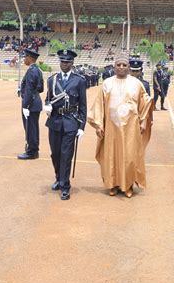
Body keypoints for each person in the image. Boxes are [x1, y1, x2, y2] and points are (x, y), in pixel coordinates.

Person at [88, 54, 153, 198]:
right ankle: (113, 184)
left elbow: (145, 102)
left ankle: (128, 185)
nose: (121, 67)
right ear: (114, 67)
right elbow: (99, 105)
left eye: (124, 65)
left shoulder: (136, 83)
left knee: (129, 156)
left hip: (131, 128)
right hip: (111, 127)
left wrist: (143, 121)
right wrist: (99, 125)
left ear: (128, 67)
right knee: (112, 156)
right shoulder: (107, 83)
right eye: (119, 65)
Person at [44, 49, 87, 200]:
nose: (64, 64)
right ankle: (58, 178)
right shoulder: (52, 79)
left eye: (67, 62)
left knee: (66, 155)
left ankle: (65, 186)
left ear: (72, 63)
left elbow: (83, 106)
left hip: (70, 122)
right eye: (62, 61)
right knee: (55, 154)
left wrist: (81, 127)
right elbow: (48, 98)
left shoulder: (79, 80)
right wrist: (47, 105)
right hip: (54, 121)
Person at [17, 48, 43, 160]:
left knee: (30, 129)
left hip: (30, 105)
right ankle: (33, 150)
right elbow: (40, 88)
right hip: (35, 102)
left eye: (25, 57)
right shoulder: (37, 70)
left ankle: (32, 152)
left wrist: (26, 106)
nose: (24, 59)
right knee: (33, 128)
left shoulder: (32, 71)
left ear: (29, 58)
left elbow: (30, 90)